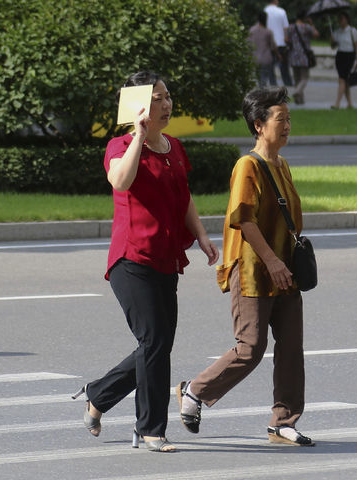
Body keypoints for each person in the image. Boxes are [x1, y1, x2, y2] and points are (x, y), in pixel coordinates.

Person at [72, 72, 220, 452]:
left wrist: (201, 235)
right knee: (153, 341)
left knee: (155, 345)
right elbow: (120, 182)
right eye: (157, 98)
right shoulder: (120, 144)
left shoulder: (173, 147)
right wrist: (139, 135)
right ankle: (151, 429)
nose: (166, 104)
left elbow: (183, 196)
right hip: (131, 259)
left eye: (168, 96)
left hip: (166, 258)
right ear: (138, 105)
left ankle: (98, 394)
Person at [176, 86, 314, 447]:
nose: (287, 126)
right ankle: (194, 390)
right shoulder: (247, 166)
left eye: (288, 119)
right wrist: (271, 260)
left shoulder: (281, 165)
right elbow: (243, 219)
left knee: (291, 348)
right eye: (280, 119)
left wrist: (288, 261)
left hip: (285, 270)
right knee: (250, 347)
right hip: (254, 268)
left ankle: (283, 421)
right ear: (258, 125)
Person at [286, 10, 320, 105]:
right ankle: (297, 92)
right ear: (305, 18)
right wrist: (311, 24)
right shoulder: (307, 27)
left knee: (297, 78)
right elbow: (316, 34)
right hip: (304, 56)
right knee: (304, 77)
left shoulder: (291, 27)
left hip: (293, 55)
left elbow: (286, 39)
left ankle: (299, 100)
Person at [330, 11, 357, 109]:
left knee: (342, 80)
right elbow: (333, 47)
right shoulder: (337, 32)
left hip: (349, 56)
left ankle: (337, 103)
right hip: (340, 56)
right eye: (339, 19)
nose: (340, 21)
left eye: (342, 19)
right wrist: (332, 40)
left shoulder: (352, 31)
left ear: (346, 19)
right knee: (344, 80)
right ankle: (350, 104)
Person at [265, 0, 294, 87]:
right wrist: (286, 37)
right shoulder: (281, 11)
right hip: (281, 42)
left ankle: (273, 83)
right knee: (284, 65)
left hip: (269, 43)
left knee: (270, 66)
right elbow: (286, 27)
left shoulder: (265, 11)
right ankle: (287, 83)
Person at [249, 11, 280, 87]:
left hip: (254, 58)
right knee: (264, 78)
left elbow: (248, 44)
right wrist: (278, 55)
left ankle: (261, 91)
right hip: (266, 58)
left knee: (258, 77)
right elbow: (273, 46)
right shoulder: (268, 32)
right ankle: (262, 92)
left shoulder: (252, 30)